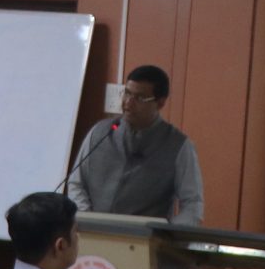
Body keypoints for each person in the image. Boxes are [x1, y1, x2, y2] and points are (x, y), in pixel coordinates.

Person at [66, 65, 204, 225]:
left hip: (143, 237)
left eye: (140, 98)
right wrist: (87, 218)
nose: (128, 103)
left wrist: (167, 234)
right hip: (93, 232)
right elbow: (76, 183)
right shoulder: (100, 132)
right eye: (127, 93)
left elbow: (193, 204)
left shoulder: (178, 146)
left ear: (160, 103)